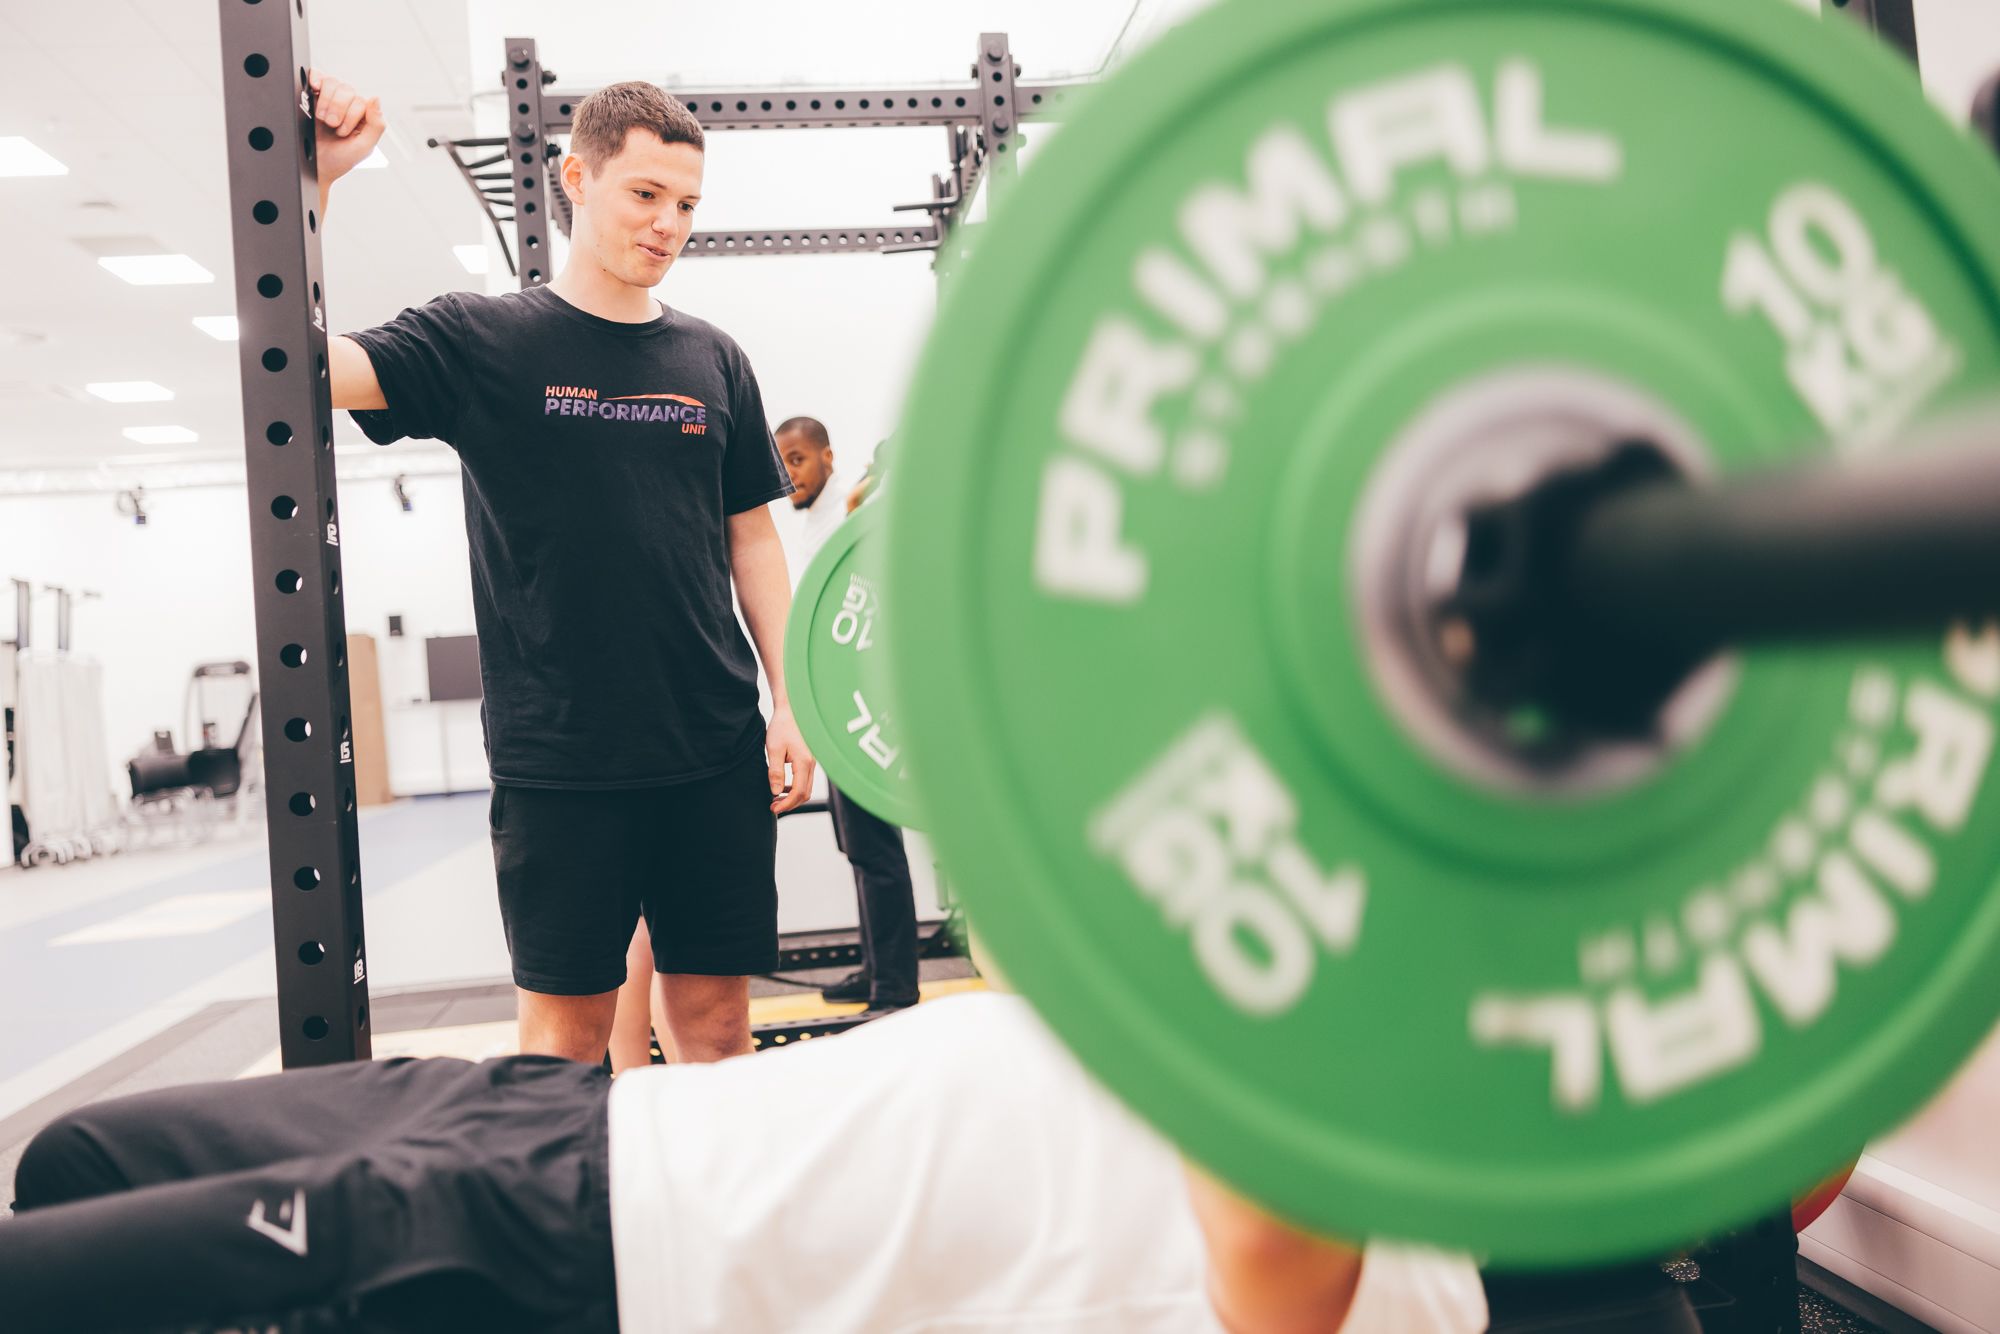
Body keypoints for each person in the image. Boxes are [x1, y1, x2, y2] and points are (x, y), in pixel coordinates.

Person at [0, 991, 1487, 1333]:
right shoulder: (1288, 1037)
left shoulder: (1397, 1271)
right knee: (76, 1157)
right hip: (555, 1109)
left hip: (589, 1249)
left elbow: (1280, 1253)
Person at [313, 73, 815, 1066]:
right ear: (574, 178)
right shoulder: (482, 340)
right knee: (564, 1040)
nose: (668, 223)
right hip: (562, 760)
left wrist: (789, 700)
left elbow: (749, 537)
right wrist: (316, 184)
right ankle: (576, 1223)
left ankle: (709, 1222)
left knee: (715, 1022)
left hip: (710, 746)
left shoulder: (713, 360)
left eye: (685, 205)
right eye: (644, 195)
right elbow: (303, 367)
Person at [775, 416, 921, 1015]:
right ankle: (875, 969)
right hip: (834, 710)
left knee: (875, 849)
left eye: (798, 459)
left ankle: (895, 987)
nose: (789, 474)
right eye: (781, 463)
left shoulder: (853, 514)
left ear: (828, 457)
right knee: (857, 845)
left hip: (862, 710)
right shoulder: (817, 523)